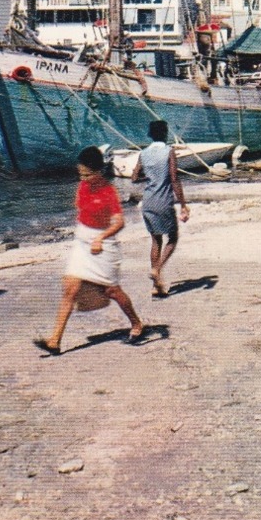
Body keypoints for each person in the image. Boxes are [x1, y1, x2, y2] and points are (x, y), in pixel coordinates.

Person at [34, 146, 143, 355]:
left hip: (104, 245)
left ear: (98, 171)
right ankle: (54, 341)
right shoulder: (82, 187)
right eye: (80, 174)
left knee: (112, 291)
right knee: (70, 289)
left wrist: (101, 237)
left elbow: (119, 223)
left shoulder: (109, 191)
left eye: (86, 174)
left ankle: (136, 323)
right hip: (82, 244)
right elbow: (82, 213)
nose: (82, 178)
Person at [133, 121, 190, 298]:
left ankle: (156, 286)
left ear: (150, 135)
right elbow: (174, 179)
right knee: (172, 238)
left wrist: (149, 176)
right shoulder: (168, 151)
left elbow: (134, 177)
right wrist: (183, 204)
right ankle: (157, 270)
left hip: (148, 201)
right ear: (165, 134)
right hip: (163, 201)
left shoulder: (143, 154)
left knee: (156, 241)